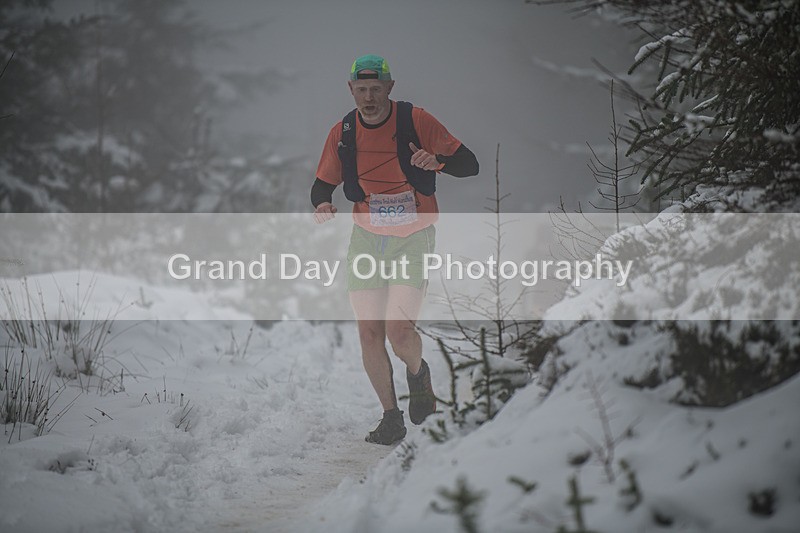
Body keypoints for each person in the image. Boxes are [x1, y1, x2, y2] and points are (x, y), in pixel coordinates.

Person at [311, 54, 479, 445]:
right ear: (350, 89)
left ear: (389, 87)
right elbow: (322, 185)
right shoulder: (344, 132)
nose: (368, 97)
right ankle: (391, 417)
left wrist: (437, 161)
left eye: (376, 89)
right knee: (370, 333)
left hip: (413, 237)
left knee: (399, 332)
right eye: (361, 89)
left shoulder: (416, 121)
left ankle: (418, 374)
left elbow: (469, 165)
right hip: (367, 238)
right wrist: (321, 205)